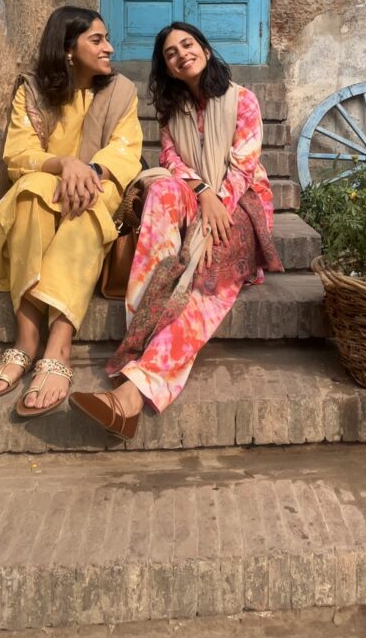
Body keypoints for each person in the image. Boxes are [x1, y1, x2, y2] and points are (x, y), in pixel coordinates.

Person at [69, 22, 283, 440]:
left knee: (205, 264)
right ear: (165, 67)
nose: (181, 54)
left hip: (241, 203)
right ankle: (144, 329)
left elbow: (243, 165)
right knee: (163, 188)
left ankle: (131, 395)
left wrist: (218, 202)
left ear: (203, 48)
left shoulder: (242, 99)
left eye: (188, 44)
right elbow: (172, 161)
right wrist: (203, 193)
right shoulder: (172, 113)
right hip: (200, 196)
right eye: (170, 52)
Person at [0, 5, 142, 417]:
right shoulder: (33, 90)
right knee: (30, 193)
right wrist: (63, 164)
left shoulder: (122, 91)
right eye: (97, 40)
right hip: (49, 181)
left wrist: (89, 170)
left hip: (101, 186)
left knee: (85, 207)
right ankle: (26, 338)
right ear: (68, 50)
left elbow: (127, 151)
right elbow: (19, 153)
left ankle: (59, 345)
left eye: (107, 39)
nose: (110, 49)